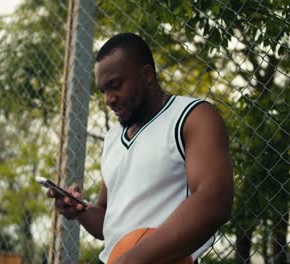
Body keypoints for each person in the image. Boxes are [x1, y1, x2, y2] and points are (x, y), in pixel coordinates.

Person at [47, 32, 234, 264]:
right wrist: (81, 211)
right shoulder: (113, 138)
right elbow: (108, 223)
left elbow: (215, 198)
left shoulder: (192, 117)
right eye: (103, 90)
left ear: (146, 75)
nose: (108, 99)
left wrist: (133, 258)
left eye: (115, 86)